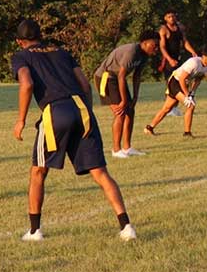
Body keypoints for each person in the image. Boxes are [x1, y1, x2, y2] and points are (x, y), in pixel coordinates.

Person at [11, 19, 136, 242]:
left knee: (38, 171)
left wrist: (20, 120)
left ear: (20, 41)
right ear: (41, 35)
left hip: (55, 111)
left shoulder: (22, 55)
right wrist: (86, 110)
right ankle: (126, 226)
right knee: (100, 173)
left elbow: (27, 84)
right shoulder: (61, 51)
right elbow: (85, 84)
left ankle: (34, 231)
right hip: (82, 109)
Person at [94, 32, 159, 159]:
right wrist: (124, 100)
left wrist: (135, 96)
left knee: (130, 111)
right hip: (106, 77)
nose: (156, 48)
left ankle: (127, 148)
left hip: (116, 79)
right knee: (120, 112)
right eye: (154, 45)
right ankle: (116, 150)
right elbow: (121, 76)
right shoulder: (132, 51)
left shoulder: (144, 55)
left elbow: (137, 76)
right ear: (145, 43)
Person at [144, 46, 207, 139]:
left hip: (182, 84)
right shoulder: (194, 63)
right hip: (176, 82)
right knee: (190, 106)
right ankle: (187, 133)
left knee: (167, 108)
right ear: (204, 56)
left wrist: (192, 93)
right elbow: (182, 79)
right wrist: (187, 96)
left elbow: (198, 79)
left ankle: (149, 128)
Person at [158, 10, 197, 117]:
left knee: (182, 81)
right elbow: (162, 47)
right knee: (170, 84)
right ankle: (170, 108)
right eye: (169, 17)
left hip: (178, 60)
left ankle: (174, 107)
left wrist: (192, 52)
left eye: (173, 16)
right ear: (165, 18)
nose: (172, 18)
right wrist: (169, 59)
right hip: (168, 61)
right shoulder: (163, 30)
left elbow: (185, 42)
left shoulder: (179, 28)